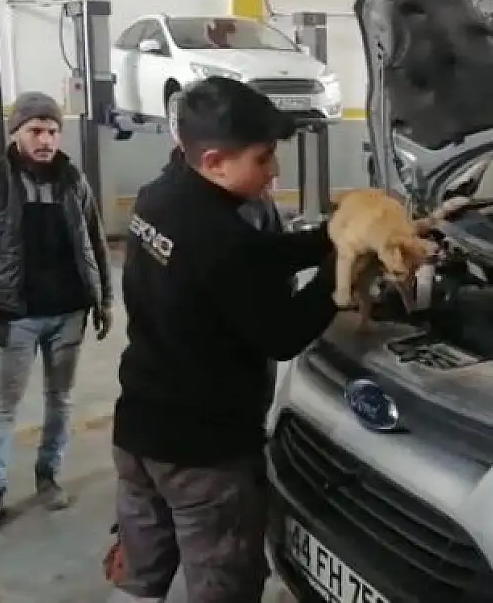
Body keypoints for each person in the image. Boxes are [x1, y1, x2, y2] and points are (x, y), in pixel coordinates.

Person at [111, 76, 339, 602]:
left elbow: (254, 258)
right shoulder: (221, 240)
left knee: (139, 578)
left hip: (140, 435)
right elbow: (283, 334)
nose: (274, 171)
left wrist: (329, 234)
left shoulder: (157, 199)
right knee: (224, 583)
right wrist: (339, 273)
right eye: (263, 159)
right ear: (214, 161)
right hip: (204, 455)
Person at [0, 91, 114, 537]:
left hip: (68, 313)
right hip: (15, 316)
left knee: (59, 400)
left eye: (51, 131)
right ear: (17, 134)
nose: (45, 139)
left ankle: (48, 475)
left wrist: (102, 300)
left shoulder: (73, 181)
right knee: (2, 407)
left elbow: (96, 242)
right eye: (35, 131)